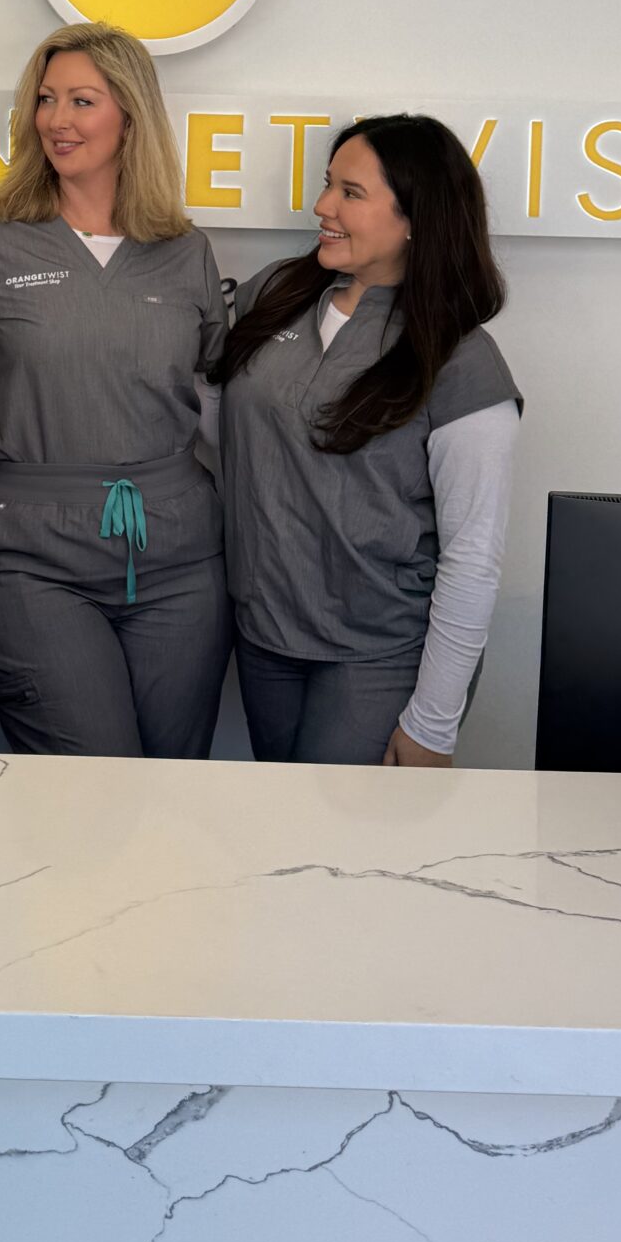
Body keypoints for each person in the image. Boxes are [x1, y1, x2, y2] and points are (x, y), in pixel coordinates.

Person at [0, 20, 230, 758]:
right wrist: (43, 428)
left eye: (82, 101)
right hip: (33, 556)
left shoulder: (186, 252)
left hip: (179, 557)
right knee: (93, 785)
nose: (57, 121)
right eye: (46, 99)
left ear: (131, 116)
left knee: (174, 782)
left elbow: (218, 414)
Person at [213, 113, 521, 768]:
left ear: (416, 217)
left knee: (341, 852)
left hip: (378, 655)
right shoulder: (275, 295)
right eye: (328, 186)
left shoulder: (462, 361)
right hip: (265, 637)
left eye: (350, 193)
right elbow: (226, 431)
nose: (321, 206)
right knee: (284, 835)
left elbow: (473, 556)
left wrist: (433, 722)